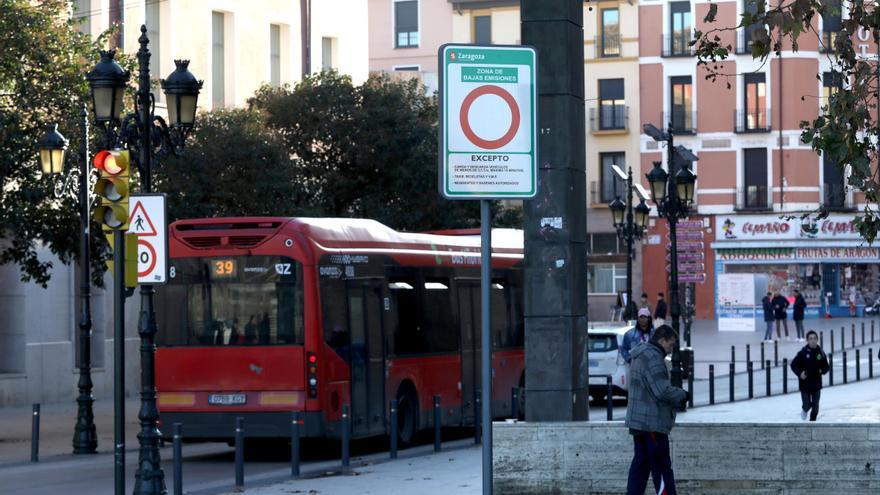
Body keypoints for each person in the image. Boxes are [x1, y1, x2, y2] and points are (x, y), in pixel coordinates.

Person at [625, 324, 688, 495]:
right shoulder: (654, 358)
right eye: (671, 344)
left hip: (639, 423)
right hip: (651, 423)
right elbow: (662, 391)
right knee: (661, 468)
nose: (671, 349)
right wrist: (682, 394)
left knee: (640, 467)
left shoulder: (641, 353)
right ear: (662, 339)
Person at [790, 330, 829, 421]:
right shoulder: (803, 353)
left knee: (815, 408)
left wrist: (821, 370)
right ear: (807, 340)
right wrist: (800, 373)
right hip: (805, 384)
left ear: (817, 340)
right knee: (807, 405)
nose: (813, 340)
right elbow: (793, 365)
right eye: (810, 339)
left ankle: (812, 424)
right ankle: (805, 409)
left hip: (816, 384)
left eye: (815, 338)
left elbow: (826, 367)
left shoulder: (820, 353)